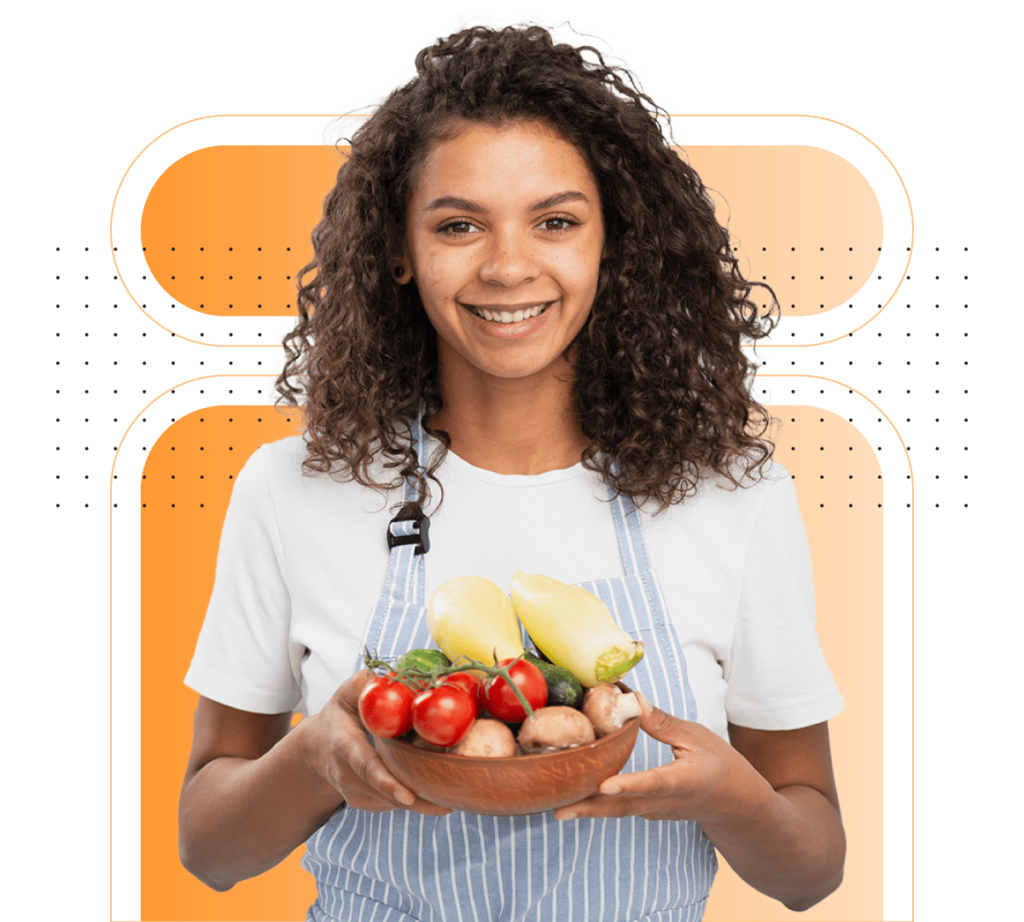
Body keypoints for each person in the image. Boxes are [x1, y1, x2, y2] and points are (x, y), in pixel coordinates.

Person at [179, 12, 846, 921]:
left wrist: (730, 798)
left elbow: (811, 871)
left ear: (614, 244)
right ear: (398, 251)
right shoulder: (293, 490)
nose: (507, 266)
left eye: (556, 221)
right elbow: (208, 850)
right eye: (458, 225)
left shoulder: (733, 497)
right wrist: (312, 760)